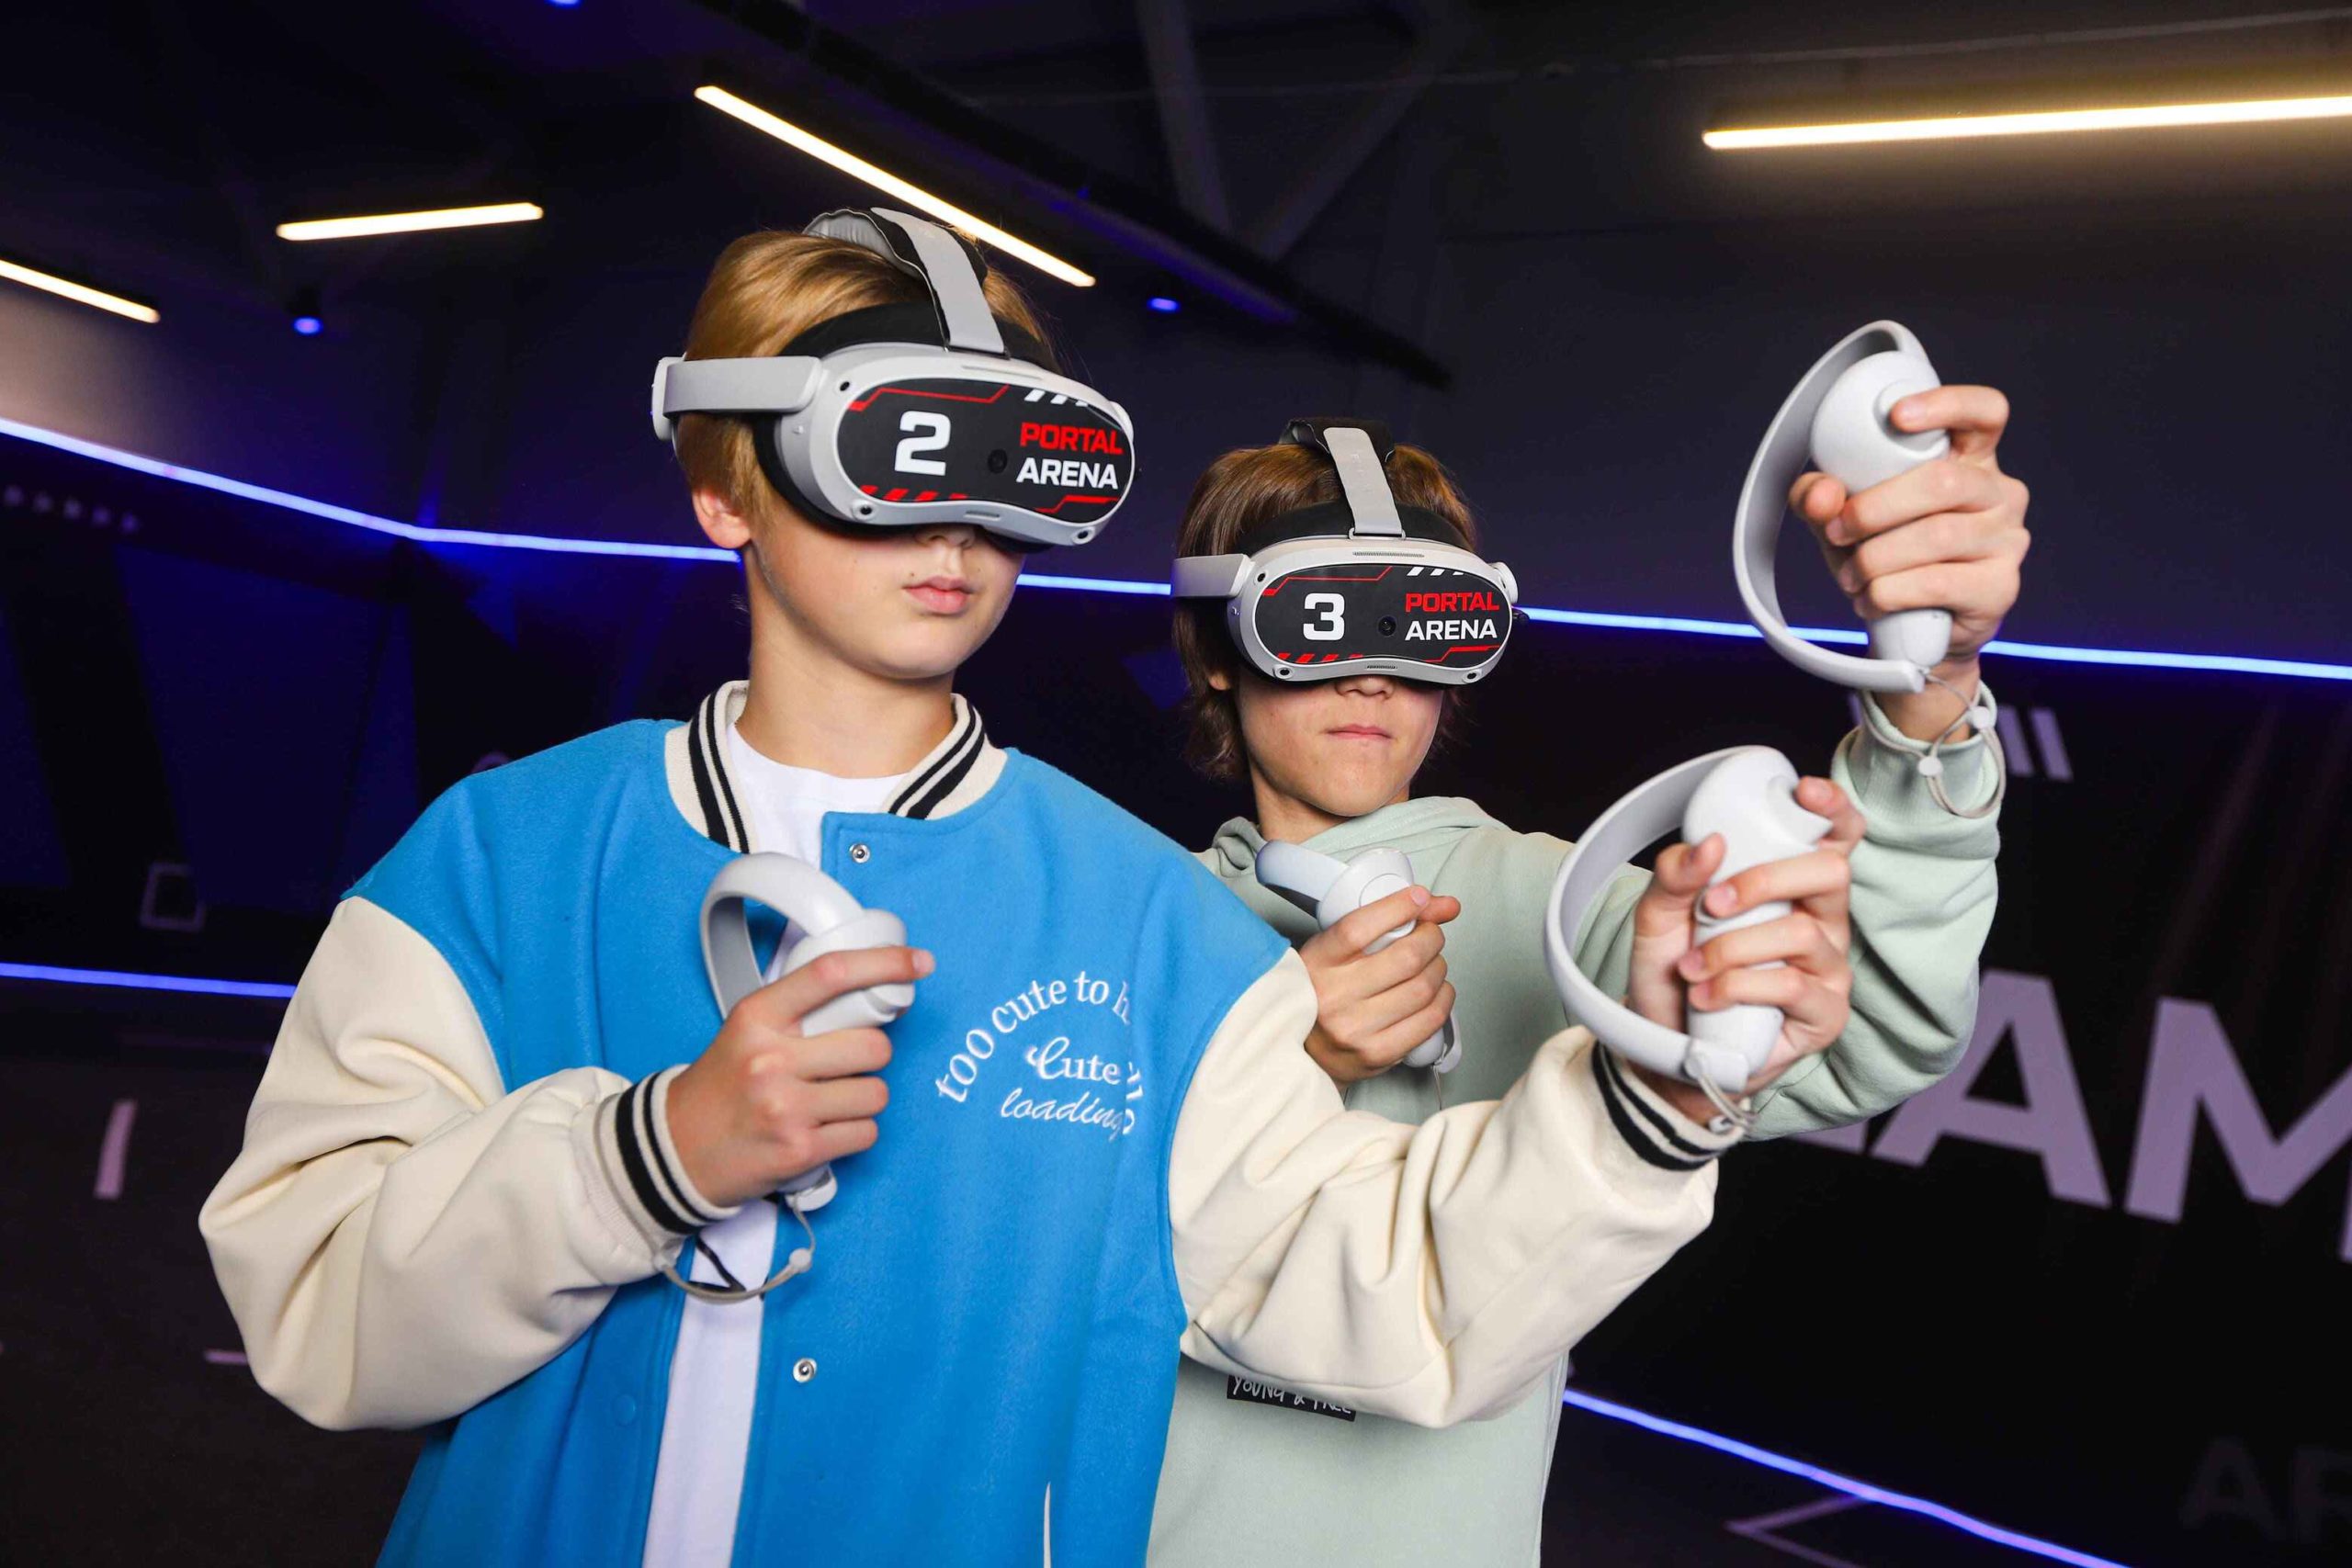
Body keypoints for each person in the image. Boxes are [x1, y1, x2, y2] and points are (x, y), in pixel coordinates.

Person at [198, 213, 1854, 1568]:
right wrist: (648, 1153)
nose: (955, 524)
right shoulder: (496, 860)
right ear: (724, 486)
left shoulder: (1155, 925)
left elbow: (1390, 1281)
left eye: (1002, 465)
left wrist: (1649, 1092)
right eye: (889, 453)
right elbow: (317, 1306)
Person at [1148, 419, 2024, 1567]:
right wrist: (1274, 1053)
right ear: (1219, 646)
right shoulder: (1121, 917)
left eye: (1425, 622)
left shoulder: (1563, 907)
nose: (1372, 673)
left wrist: (1931, 689)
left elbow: (1865, 1034)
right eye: (1317, 618)